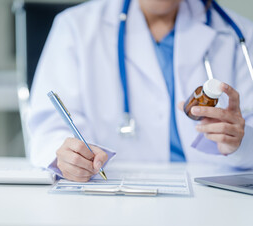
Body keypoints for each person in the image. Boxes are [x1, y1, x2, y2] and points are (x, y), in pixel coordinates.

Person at [28, 0, 253, 182]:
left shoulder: (239, 34)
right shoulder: (75, 27)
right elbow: (48, 128)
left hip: (212, 195)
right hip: (112, 192)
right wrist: (69, 157)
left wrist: (239, 142)